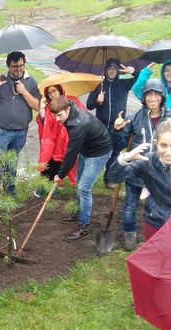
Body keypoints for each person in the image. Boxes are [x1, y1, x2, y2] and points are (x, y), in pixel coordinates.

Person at [113, 79, 171, 250]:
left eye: (156, 94)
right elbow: (120, 143)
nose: (152, 98)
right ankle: (130, 235)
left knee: (160, 206)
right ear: (144, 97)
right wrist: (117, 129)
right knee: (130, 204)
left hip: (161, 171)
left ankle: (158, 236)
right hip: (138, 169)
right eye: (148, 95)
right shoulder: (134, 117)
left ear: (161, 96)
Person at [50, 96, 113, 241]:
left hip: (99, 152)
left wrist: (60, 175)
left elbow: (71, 154)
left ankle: (84, 226)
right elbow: (73, 150)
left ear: (67, 109)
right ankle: (78, 213)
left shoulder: (77, 124)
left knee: (84, 188)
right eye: (54, 116)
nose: (57, 119)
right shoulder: (70, 113)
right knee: (79, 184)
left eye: (59, 115)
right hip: (87, 149)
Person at [0, 51, 41, 195]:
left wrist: (24, 91)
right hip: (1, 130)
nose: (18, 69)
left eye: (21, 65)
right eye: (14, 66)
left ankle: (10, 192)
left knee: (12, 163)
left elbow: (37, 106)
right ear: (8, 66)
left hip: (20, 131)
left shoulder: (31, 81)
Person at [86, 58, 139, 185]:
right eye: (109, 68)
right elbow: (89, 105)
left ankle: (108, 178)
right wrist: (97, 101)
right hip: (101, 126)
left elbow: (137, 77)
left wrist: (133, 71)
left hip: (118, 125)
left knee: (114, 152)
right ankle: (90, 177)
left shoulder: (124, 84)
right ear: (105, 70)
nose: (111, 70)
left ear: (118, 71)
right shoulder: (99, 85)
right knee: (99, 152)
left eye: (114, 68)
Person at [35, 84, 84, 196]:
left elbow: (82, 115)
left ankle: (53, 187)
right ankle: (42, 187)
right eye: (49, 92)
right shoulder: (48, 106)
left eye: (54, 91)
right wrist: (42, 107)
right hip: (52, 142)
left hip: (65, 140)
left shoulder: (71, 100)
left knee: (60, 164)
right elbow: (44, 121)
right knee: (48, 163)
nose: (52, 94)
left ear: (60, 90)